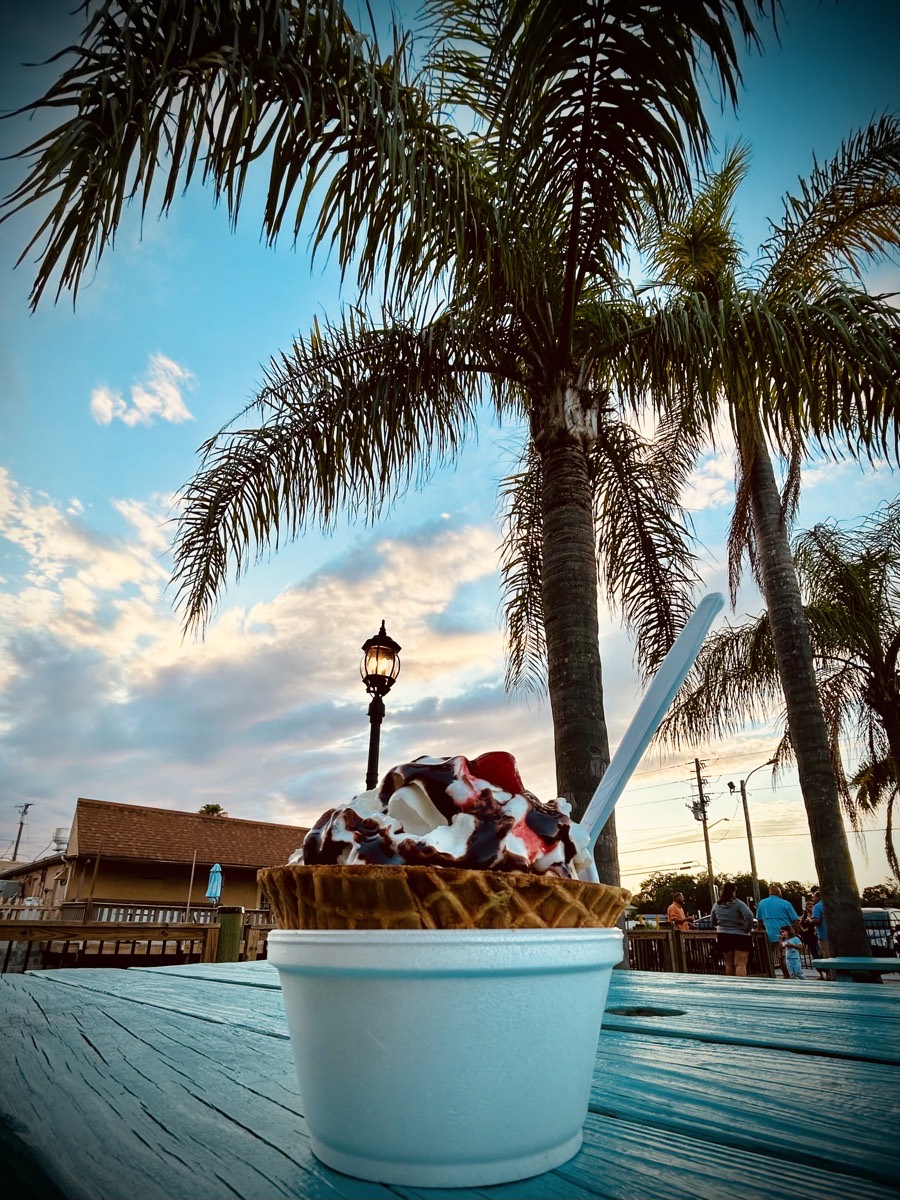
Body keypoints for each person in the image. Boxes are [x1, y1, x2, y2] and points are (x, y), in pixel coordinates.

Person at [756, 883, 802, 979]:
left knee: (770, 956)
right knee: (784, 956)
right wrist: (795, 932)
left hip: (769, 934)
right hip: (785, 934)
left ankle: (770, 974)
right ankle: (787, 975)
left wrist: (759, 929)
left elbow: (759, 919)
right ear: (778, 892)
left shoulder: (762, 903)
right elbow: (795, 920)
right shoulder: (786, 903)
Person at [710, 882, 755, 977]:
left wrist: (719, 925)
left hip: (723, 935)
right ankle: (741, 987)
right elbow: (749, 915)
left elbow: (713, 921)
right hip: (740, 936)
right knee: (740, 964)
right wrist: (748, 928)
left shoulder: (716, 905)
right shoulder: (739, 904)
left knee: (729, 964)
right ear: (733, 891)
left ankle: (731, 987)